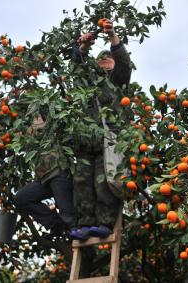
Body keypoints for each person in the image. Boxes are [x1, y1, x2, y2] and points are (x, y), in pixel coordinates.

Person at [69, 19, 132, 240]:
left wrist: (113, 35)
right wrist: (84, 46)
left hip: (109, 140)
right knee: (82, 184)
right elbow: (77, 66)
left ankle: (105, 223)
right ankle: (84, 223)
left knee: (105, 181)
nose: (105, 61)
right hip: (86, 142)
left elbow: (124, 62)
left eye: (109, 58)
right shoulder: (88, 82)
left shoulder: (119, 81)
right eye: (101, 59)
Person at [14, 114, 75, 239]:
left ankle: (73, 233)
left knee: (68, 218)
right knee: (21, 198)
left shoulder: (48, 111)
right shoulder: (23, 121)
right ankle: (55, 224)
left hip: (59, 171)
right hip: (43, 177)